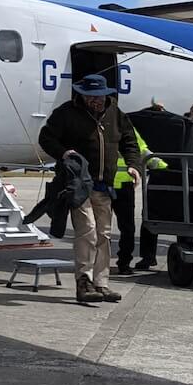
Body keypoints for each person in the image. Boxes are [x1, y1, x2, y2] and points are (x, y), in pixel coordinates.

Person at [38, 74, 140, 304]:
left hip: (104, 187)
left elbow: (129, 142)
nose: (93, 101)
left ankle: (101, 283)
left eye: (97, 97)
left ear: (106, 94)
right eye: (88, 96)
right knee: (88, 231)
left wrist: (134, 165)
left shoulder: (116, 114)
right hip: (78, 184)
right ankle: (83, 282)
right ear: (82, 95)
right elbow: (46, 138)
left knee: (103, 234)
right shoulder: (67, 112)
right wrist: (63, 153)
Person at [112, 126, 168, 274]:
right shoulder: (127, 128)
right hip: (122, 185)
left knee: (99, 229)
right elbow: (144, 152)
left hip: (103, 185)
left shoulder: (94, 125)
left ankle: (99, 262)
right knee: (127, 228)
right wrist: (167, 166)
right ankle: (123, 264)